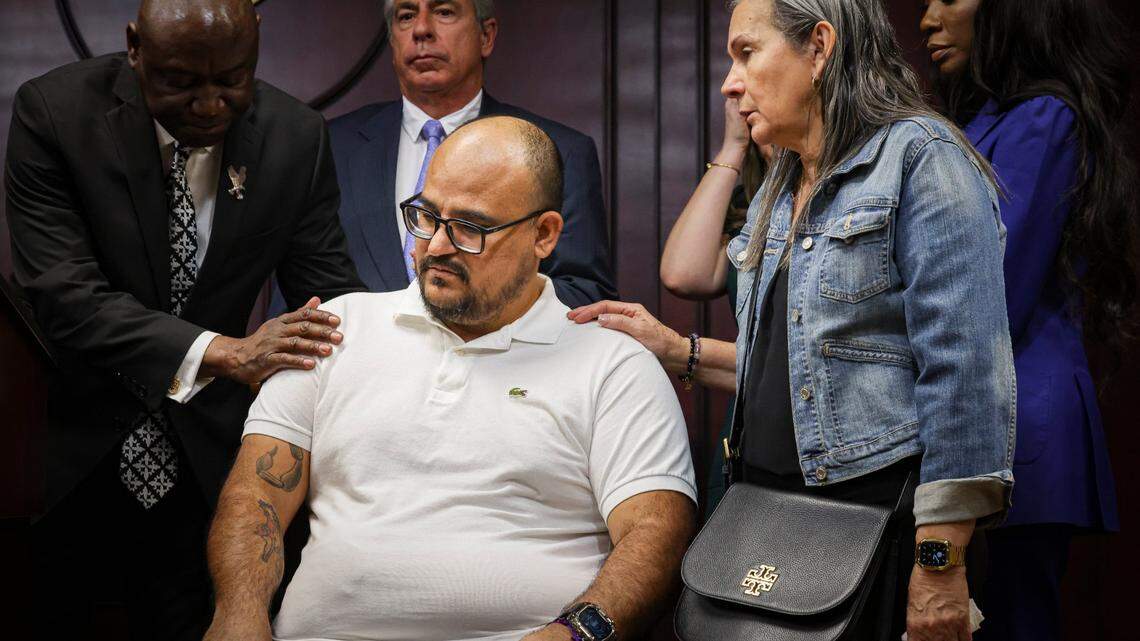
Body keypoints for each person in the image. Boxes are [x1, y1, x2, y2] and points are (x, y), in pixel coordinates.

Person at [571, 1, 1016, 639]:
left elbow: (965, 375)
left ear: (819, 47)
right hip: (763, 515)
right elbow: (811, 359)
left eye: (747, 53)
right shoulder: (782, 180)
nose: (730, 81)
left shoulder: (923, 158)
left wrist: (939, 563)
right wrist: (677, 350)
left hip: (875, 530)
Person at [204, 116, 697, 641]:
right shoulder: (333, 330)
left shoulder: (614, 364)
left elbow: (655, 534)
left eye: (470, 228)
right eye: (426, 216)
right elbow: (256, 489)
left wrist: (571, 636)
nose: (435, 246)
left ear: (544, 235)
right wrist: (239, 614)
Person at [4, 1, 366, 638]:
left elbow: (329, 295)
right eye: (181, 82)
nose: (210, 104)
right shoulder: (56, 114)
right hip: (73, 462)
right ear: (136, 47)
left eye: (232, 79)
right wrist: (227, 352)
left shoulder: (294, 135)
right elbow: (66, 296)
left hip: (215, 474)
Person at [920, 1, 1137, 639]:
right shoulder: (975, 120)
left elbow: (992, 286)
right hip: (991, 417)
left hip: (1019, 427)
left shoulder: (1043, 118)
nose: (929, 18)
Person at [270, 0, 616, 311]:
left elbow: (584, 296)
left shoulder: (558, 150)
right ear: (392, 41)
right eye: (406, 15)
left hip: (499, 372)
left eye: (444, 11)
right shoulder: (329, 147)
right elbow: (292, 301)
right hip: (356, 374)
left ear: (486, 36)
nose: (421, 29)